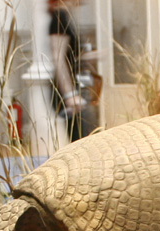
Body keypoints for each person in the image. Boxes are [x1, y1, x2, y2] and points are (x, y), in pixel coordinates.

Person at [48, 0, 98, 143]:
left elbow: (70, 56)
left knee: (85, 138)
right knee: (81, 141)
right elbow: (58, 58)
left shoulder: (66, 17)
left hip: (76, 90)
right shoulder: (59, 18)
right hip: (70, 94)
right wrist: (70, 95)